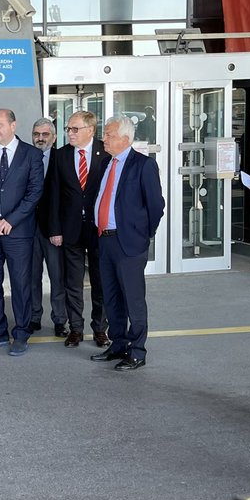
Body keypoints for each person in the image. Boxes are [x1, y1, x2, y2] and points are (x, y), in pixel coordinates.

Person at [87, 116, 165, 370]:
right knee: (111, 297)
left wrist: (142, 235)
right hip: (105, 239)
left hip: (128, 242)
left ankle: (137, 350)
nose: (104, 139)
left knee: (133, 299)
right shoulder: (106, 164)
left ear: (125, 138)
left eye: (109, 135)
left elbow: (156, 206)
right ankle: (118, 344)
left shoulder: (143, 165)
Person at [0, 109, 44, 356]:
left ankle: (22, 333)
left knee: (21, 283)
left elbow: (34, 193)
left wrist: (10, 220)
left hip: (19, 232)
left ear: (13, 125)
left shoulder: (32, 155)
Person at [47, 110, 108, 348]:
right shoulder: (61, 156)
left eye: (75, 129)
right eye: (68, 129)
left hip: (98, 229)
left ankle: (100, 329)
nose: (69, 133)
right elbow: (53, 195)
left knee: (100, 281)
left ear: (90, 130)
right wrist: (55, 229)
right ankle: (76, 328)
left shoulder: (105, 152)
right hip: (70, 229)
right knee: (72, 283)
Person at [30, 118, 67, 338]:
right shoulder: (26, 157)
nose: (40, 138)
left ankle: (60, 320)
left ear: (53, 137)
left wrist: (58, 229)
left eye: (45, 134)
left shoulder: (61, 159)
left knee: (56, 277)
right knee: (31, 276)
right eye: (37, 134)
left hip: (53, 230)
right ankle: (35, 316)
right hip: (28, 229)